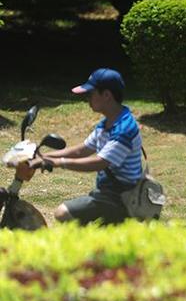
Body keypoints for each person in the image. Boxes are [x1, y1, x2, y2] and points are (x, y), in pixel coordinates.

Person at [32, 68, 143, 225]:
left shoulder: (124, 129)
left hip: (121, 198)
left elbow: (100, 162)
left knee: (62, 213)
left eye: (90, 94)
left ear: (106, 95)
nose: (87, 99)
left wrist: (58, 163)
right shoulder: (106, 123)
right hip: (107, 193)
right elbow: (81, 150)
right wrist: (43, 156)